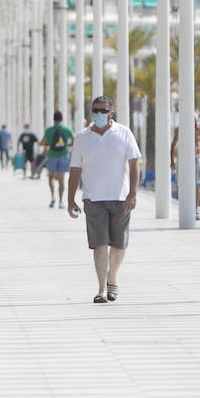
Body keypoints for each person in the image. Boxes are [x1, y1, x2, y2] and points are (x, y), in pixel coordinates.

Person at [66, 96, 141, 304]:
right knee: (99, 244)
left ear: (111, 113)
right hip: (93, 198)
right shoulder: (82, 137)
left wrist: (132, 194)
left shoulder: (123, 133)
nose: (98, 114)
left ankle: (112, 278)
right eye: (95, 110)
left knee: (119, 244)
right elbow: (75, 169)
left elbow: (135, 163)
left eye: (102, 110)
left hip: (120, 197)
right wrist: (70, 199)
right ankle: (101, 289)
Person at [170, 120, 200, 221]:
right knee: (184, 184)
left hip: (198, 158)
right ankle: (185, 208)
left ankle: (195, 210)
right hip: (185, 159)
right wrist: (172, 162)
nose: (195, 125)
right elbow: (173, 145)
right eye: (193, 121)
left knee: (197, 184)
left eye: (196, 121)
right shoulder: (180, 129)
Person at [41, 110, 75, 208]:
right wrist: (68, 145)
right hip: (63, 155)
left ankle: (52, 197)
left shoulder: (49, 130)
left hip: (52, 155)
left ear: (53, 119)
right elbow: (74, 139)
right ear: (61, 119)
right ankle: (61, 201)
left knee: (51, 177)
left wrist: (48, 145)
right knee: (61, 179)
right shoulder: (66, 129)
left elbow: (43, 142)